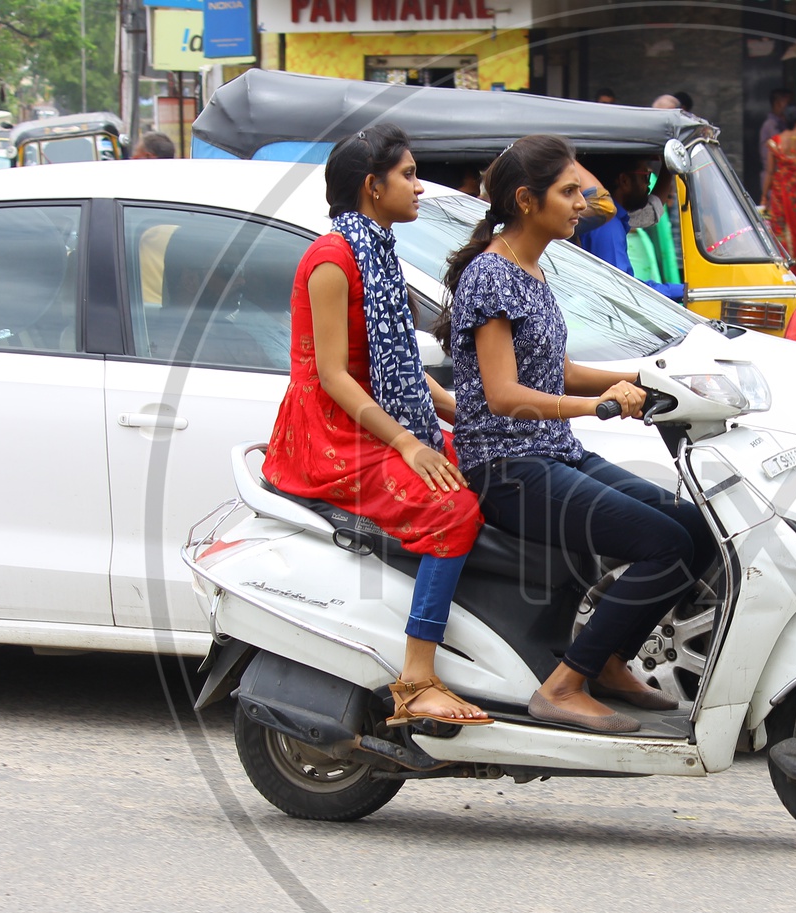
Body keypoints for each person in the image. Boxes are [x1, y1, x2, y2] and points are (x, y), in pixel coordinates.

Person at [439, 135, 717, 733]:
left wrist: (652, 379)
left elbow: (556, 369)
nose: (580, 203)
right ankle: (564, 686)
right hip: (508, 471)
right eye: (567, 192)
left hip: (554, 455)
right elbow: (504, 396)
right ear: (526, 199)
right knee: (662, 545)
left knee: (697, 529)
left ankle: (609, 658)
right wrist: (600, 406)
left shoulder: (532, 267)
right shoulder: (491, 277)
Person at [262, 124, 490, 726]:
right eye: (409, 175)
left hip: (377, 422)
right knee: (453, 509)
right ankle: (415, 678)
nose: (420, 187)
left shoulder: (379, 248)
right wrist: (411, 444)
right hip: (333, 435)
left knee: (497, 468)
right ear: (372, 186)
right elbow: (336, 377)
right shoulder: (334, 259)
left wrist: (472, 413)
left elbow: (402, 369)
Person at [573, 154, 685, 300]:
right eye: (646, 176)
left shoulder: (616, 221)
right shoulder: (608, 227)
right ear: (624, 181)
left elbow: (651, 209)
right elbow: (621, 290)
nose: (648, 184)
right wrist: (681, 291)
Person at [761, 105, 796, 272]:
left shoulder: (775, 142)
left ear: (784, 119)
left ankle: (783, 269)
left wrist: (764, 196)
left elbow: (770, 172)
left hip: (780, 192)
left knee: (780, 228)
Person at [759, 88, 790, 165]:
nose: (789, 107)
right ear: (778, 103)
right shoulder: (771, 124)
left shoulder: (782, 122)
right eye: (787, 103)